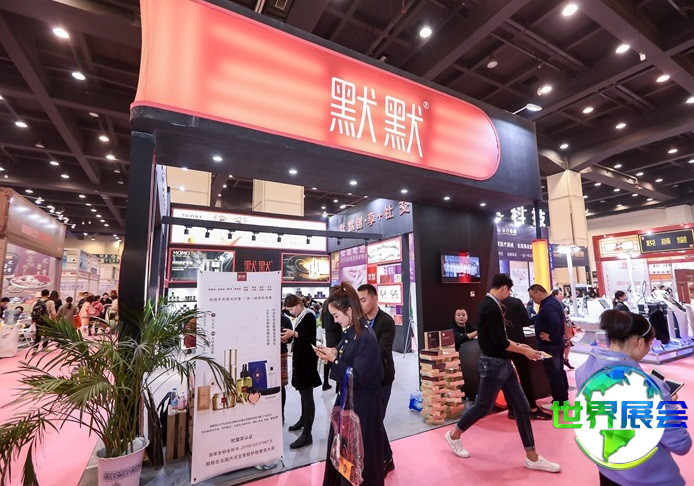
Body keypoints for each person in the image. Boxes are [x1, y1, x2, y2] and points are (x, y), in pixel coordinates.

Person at [443, 274, 561, 473]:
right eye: (509, 290)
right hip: (493, 364)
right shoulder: (490, 307)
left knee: (522, 407)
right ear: (505, 288)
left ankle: (532, 456)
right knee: (483, 406)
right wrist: (524, 350)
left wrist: (520, 345)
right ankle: (454, 435)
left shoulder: (491, 304)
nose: (509, 294)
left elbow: (498, 338)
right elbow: (500, 342)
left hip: (503, 363)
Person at [576, 310, 691, 486]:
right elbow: (681, 444)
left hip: (608, 469)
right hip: (648, 478)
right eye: (649, 344)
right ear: (640, 342)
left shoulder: (584, 370)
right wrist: (667, 406)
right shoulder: (650, 388)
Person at [316, 283, 384, 486]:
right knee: (343, 451)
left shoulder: (365, 337)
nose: (335, 321)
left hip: (362, 407)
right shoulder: (351, 334)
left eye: (336, 316)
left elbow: (359, 376)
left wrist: (334, 360)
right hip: (350, 401)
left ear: (348, 310)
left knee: (359, 454)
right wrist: (332, 354)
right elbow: (347, 359)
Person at [357, 284, 396, 475]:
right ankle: (383, 457)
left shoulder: (386, 321)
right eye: (359, 301)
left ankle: (386, 458)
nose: (361, 304)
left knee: (375, 420)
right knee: (373, 421)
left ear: (374, 299)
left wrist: (359, 357)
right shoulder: (361, 320)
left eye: (363, 300)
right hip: (366, 379)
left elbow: (383, 350)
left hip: (382, 378)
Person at [501, 294, 552, 421]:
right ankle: (532, 408)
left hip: (502, 344)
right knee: (524, 376)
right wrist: (539, 315)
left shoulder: (492, 303)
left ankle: (512, 409)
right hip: (518, 342)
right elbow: (526, 322)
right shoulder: (515, 302)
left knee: (506, 378)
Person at [281, 294, 321, 449]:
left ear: (298, 304)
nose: (291, 312)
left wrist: (293, 334)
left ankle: (307, 434)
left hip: (307, 361)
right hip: (301, 360)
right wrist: (290, 337)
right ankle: (303, 420)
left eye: (291, 309)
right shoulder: (301, 316)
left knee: (307, 396)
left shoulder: (308, 315)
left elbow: (307, 336)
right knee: (303, 394)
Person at [528, 284, 569, 408]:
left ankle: (559, 402)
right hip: (555, 344)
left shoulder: (549, 305)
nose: (532, 299)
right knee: (558, 370)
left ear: (538, 292)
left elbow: (555, 321)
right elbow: (542, 318)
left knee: (553, 372)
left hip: (551, 345)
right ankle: (562, 398)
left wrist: (551, 336)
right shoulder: (550, 302)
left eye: (532, 296)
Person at [322, 285, 342, 391]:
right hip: (336, 333)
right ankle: (338, 385)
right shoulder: (334, 304)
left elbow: (322, 320)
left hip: (328, 334)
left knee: (328, 356)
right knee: (337, 357)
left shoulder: (326, 303)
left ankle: (325, 382)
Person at [279, 311, 293, 424]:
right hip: (264, 354)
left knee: (280, 384)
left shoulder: (285, 320)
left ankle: (281, 412)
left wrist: (286, 339)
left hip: (281, 353)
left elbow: (290, 339)